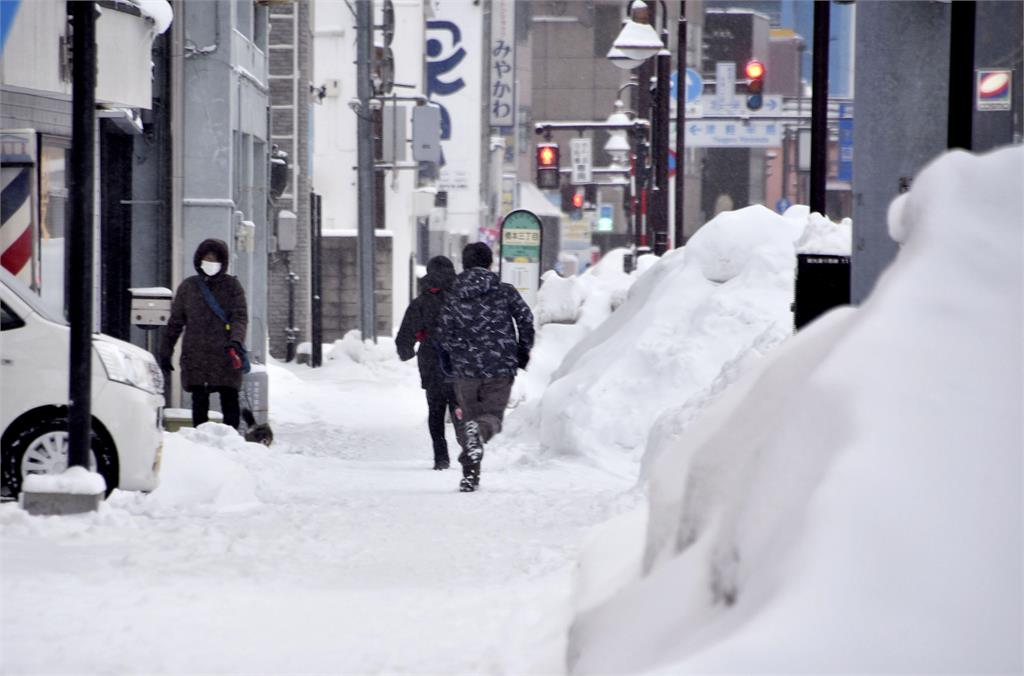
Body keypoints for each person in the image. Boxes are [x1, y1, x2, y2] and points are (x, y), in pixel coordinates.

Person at [437, 242, 534, 492]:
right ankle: (476, 438)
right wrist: (522, 350)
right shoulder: (504, 291)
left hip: (465, 369)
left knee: (469, 420)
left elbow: (444, 330)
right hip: (500, 366)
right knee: (490, 418)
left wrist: (450, 357)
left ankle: (470, 476)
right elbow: (525, 318)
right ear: (490, 263)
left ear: (465, 265)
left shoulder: (454, 295)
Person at [159, 238, 249, 430]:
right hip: (196, 353)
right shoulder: (188, 287)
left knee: (229, 397)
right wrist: (166, 350)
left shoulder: (232, 287)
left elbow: (240, 317)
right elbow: (175, 322)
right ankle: (201, 442)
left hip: (226, 352)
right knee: (199, 398)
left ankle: (231, 441)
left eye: (214, 259)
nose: (210, 263)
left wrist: (235, 341)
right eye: (206, 258)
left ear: (222, 262)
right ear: (199, 260)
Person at [396, 256, 462, 470]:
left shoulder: (423, 300)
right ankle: (468, 448)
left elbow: (405, 336)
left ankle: (441, 457)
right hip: (459, 362)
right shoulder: (463, 297)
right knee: (459, 406)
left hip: (431, 361)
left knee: (435, 409)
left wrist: (407, 351)